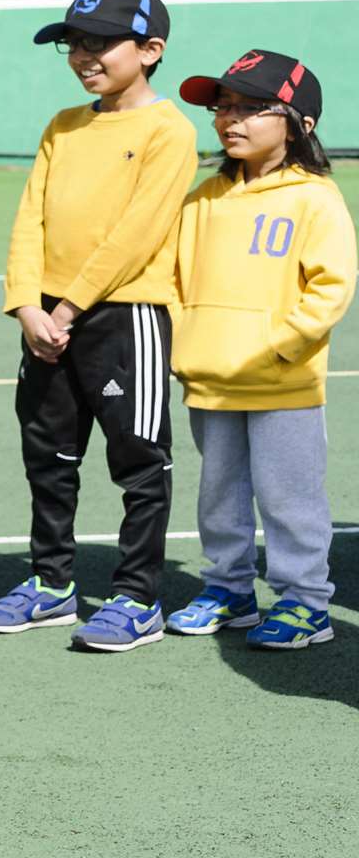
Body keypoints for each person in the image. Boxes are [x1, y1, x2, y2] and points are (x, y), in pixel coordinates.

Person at [0, 0, 197, 653]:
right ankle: (51, 584)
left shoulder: (169, 130)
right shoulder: (63, 125)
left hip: (123, 320)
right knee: (48, 456)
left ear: (151, 50)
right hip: (46, 326)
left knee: (138, 463)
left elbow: (136, 234)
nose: (83, 55)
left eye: (101, 42)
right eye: (75, 42)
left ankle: (137, 596)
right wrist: (25, 306)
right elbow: (30, 218)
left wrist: (66, 307)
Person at [165, 51, 354, 648]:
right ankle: (229, 588)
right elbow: (173, 279)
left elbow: (332, 286)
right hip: (210, 378)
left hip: (283, 382)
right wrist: (187, 343)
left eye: (251, 108)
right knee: (218, 494)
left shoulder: (314, 197)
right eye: (223, 107)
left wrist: (276, 347)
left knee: (288, 496)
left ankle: (305, 602)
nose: (230, 120)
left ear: (300, 122)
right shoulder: (203, 198)